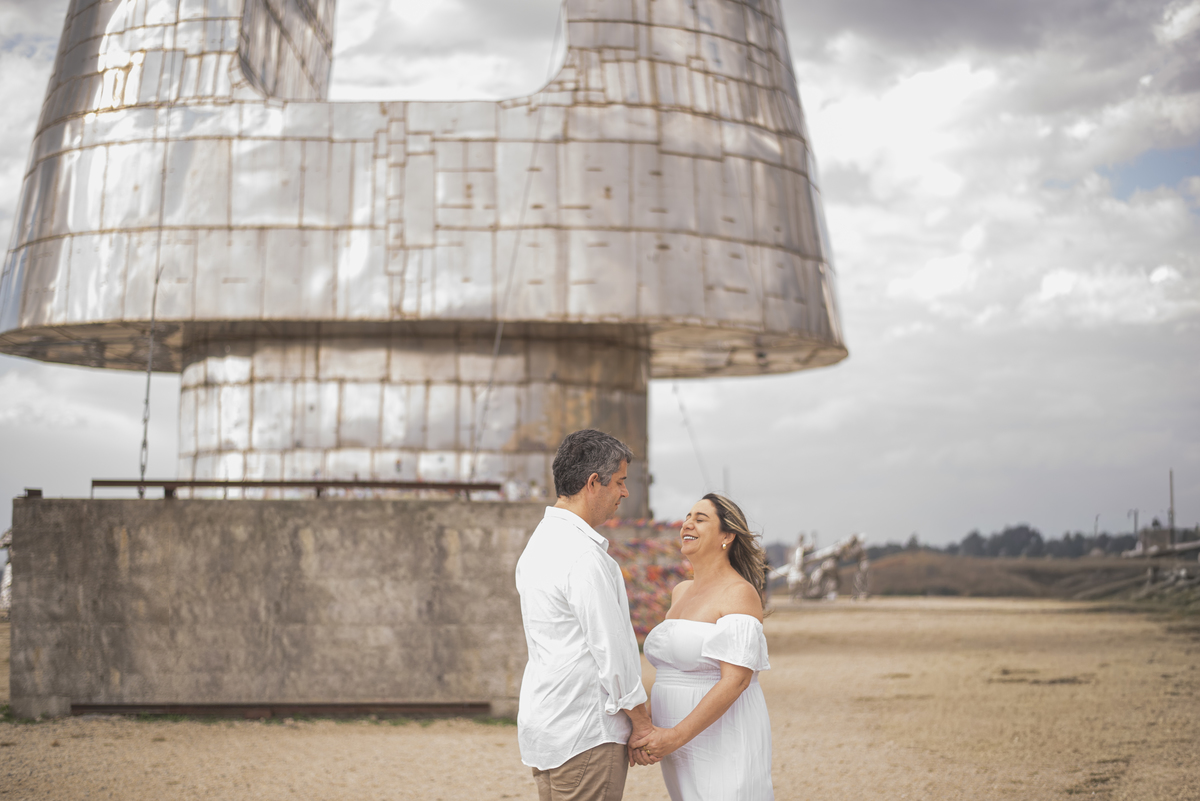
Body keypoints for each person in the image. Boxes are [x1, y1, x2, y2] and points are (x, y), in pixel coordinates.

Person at [515, 429, 654, 801]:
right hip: (586, 732)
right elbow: (613, 650)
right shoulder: (582, 556)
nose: (625, 492)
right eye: (621, 482)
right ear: (594, 482)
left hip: (549, 725)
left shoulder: (538, 545)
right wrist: (641, 723)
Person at [631, 493, 775, 800]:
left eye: (700, 518)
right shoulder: (680, 591)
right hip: (677, 747)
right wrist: (649, 730)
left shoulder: (739, 593)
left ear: (727, 536)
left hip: (721, 738)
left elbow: (736, 680)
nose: (687, 523)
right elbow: (671, 671)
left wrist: (674, 736)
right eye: (687, 517)